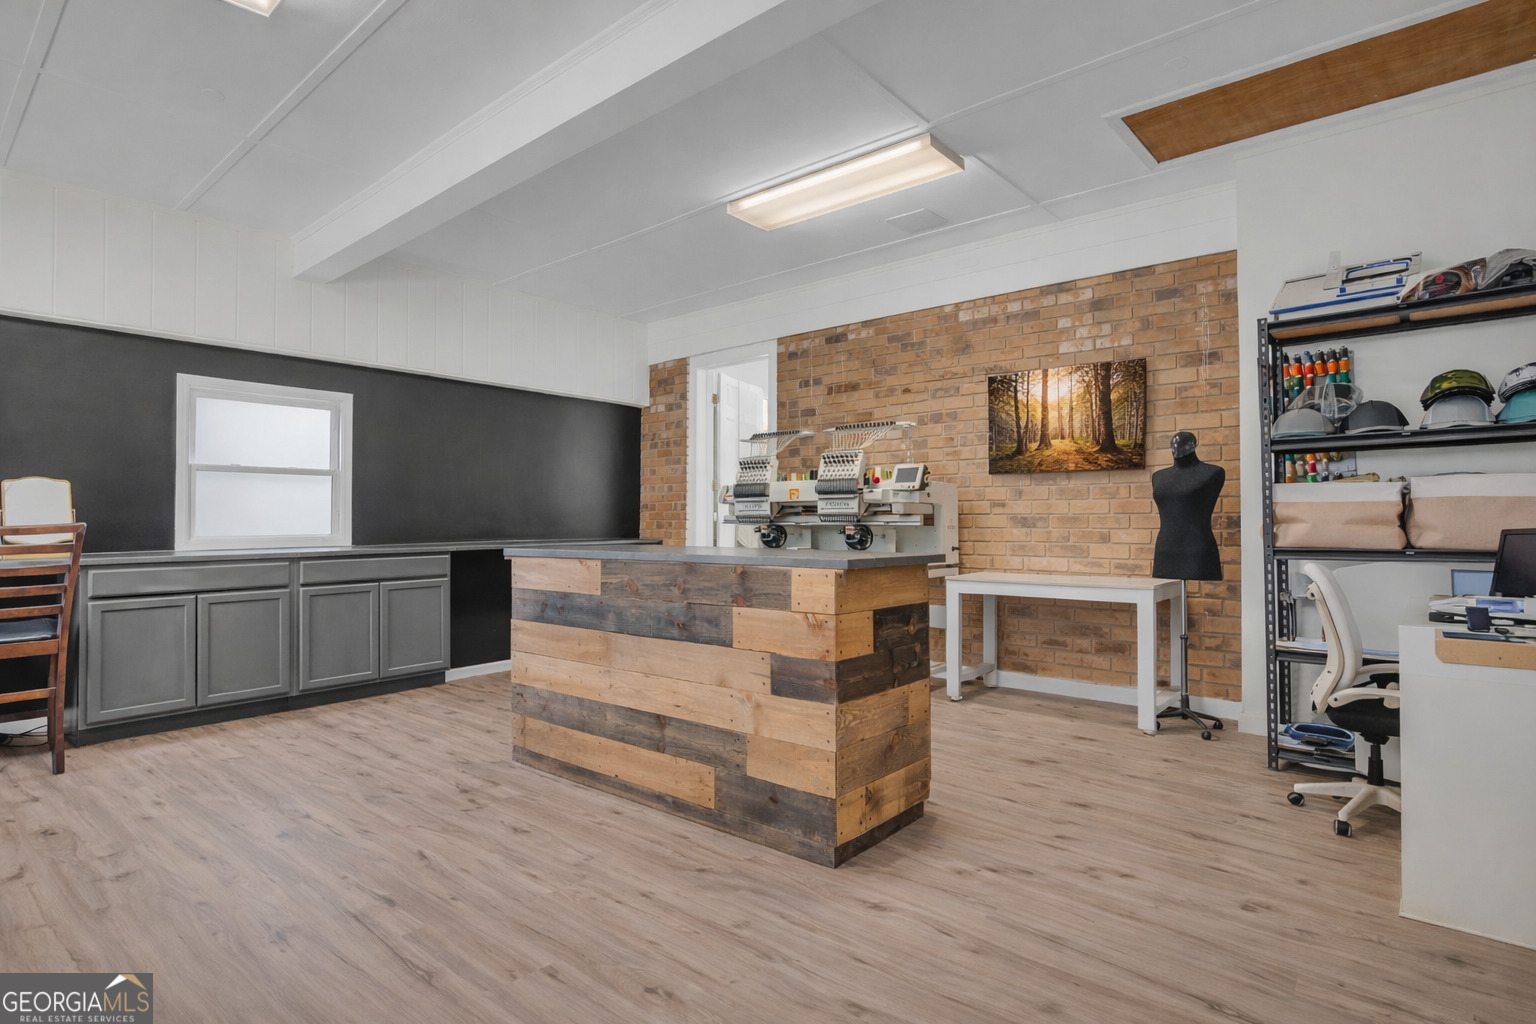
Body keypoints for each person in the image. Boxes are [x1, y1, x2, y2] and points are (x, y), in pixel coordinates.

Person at [1152, 431, 1224, 581]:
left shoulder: (1213, 473)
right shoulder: (1158, 477)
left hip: (1197, 547)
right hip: (1165, 548)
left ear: (1194, 446)